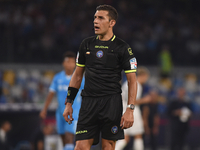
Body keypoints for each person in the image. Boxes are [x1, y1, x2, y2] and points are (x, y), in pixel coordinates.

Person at [63, 4, 137, 150]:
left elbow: (132, 81)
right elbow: (77, 76)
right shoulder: (86, 44)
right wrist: (69, 102)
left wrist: (130, 109)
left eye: (100, 18)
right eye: (95, 18)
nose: (95, 21)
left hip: (111, 103)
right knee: (80, 147)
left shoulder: (122, 48)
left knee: (108, 147)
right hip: (88, 103)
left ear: (112, 23)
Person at [39, 51, 84, 150]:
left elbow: (87, 94)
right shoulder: (57, 78)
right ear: (63, 63)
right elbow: (51, 94)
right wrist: (44, 109)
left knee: (69, 137)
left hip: (74, 113)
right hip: (60, 113)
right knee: (64, 140)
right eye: (68, 62)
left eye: (72, 62)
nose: (70, 64)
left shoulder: (80, 78)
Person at [115, 67, 151, 150]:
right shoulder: (136, 84)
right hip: (131, 111)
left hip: (124, 111)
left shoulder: (128, 83)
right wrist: (145, 100)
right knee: (137, 135)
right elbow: (131, 101)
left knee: (126, 137)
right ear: (143, 76)